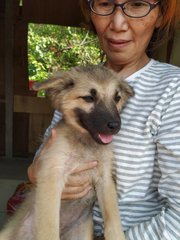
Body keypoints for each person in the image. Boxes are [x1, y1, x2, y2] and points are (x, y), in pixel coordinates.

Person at [28, 0, 180, 239]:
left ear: (161, 15)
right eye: (105, 3)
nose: (118, 23)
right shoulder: (77, 82)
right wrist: (35, 171)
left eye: (137, 4)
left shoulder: (174, 89)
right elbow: (48, 150)